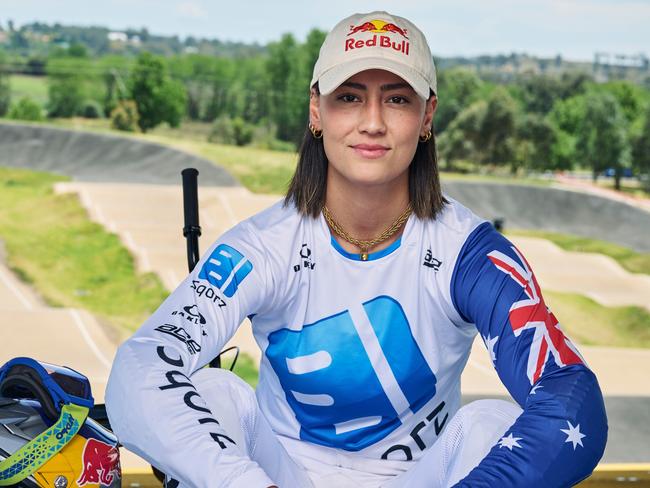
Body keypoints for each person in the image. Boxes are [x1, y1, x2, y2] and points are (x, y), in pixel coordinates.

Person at [105, 10, 607, 487]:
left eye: (396, 99)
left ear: (427, 115)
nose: (372, 122)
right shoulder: (261, 245)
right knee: (214, 394)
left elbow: (572, 395)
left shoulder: (471, 254)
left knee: (491, 423)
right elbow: (140, 368)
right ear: (315, 110)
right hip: (276, 472)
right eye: (348, 97)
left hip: (424, 479)